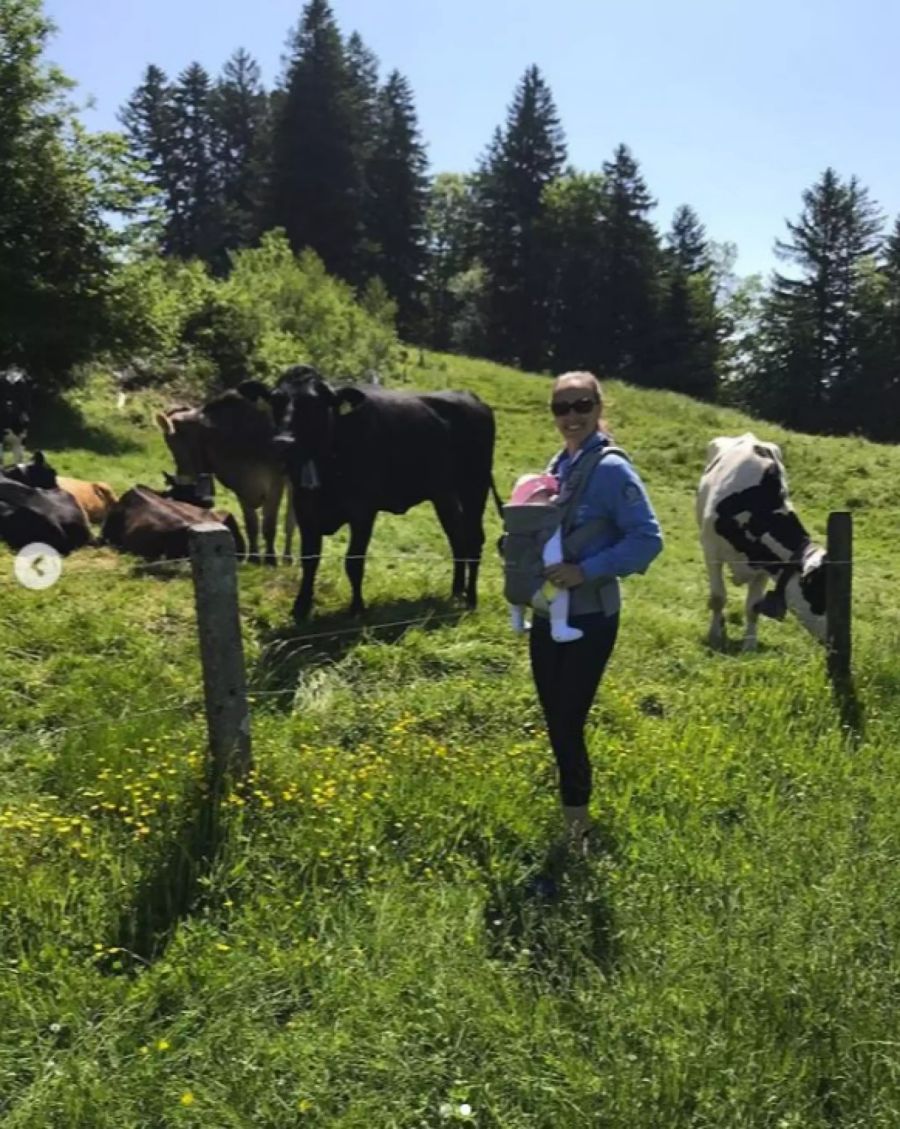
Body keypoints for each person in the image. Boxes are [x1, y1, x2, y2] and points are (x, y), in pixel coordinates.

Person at [525, 371, 662, 858]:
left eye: (581, 405)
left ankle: (576, 832)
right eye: (560, 408)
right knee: (554, 719)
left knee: (566, 719)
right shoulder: (558, 465)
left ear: (598, 407)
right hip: (547, 613)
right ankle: (571, 807)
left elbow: (648, 539)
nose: (571, 416)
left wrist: (587, 571)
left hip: (590, 617)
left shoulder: (610, 470)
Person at [503, 471, 583, 643]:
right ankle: (559, 629)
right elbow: (552, 555)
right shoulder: (548, 526)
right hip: (538, 588)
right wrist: (556, 570)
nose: (551, 498)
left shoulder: (513, 525)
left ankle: (517, 623)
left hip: (512, 585)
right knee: (560, 593)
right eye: (547, 495)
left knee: (516, 602)